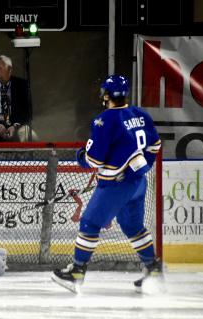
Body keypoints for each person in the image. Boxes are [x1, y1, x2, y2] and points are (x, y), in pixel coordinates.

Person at [51, 74, 163, 294]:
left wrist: (80, 155)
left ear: (106, 95)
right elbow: (155, 146)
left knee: (90, 223)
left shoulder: (104, 120)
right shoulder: (141, 114)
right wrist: (139, 168)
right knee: (133, 227)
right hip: (137, 183)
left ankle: (76, 273)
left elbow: (94, 160)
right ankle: (154, 270)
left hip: (115, 185)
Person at [0, 55, 37, 142]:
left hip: (17, 126)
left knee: (31, 137)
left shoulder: (22, 86)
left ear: (9, 69)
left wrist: (15, 126)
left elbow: (27, 112)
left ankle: (25, 156)